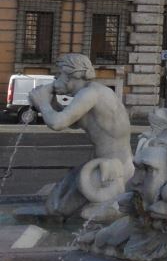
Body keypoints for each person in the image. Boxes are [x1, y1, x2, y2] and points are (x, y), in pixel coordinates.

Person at [28, 53, 134, 217]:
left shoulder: (91, 94)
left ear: (75, 75)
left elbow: (57, 123)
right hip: (100, 163)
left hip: (112, 168)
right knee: (55, 206)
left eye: (59, 74)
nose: (55, 79)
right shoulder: (91, 92)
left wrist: (43, 102)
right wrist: (51, 103)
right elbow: (71, 121)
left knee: (67, 211)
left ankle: (107, 222)